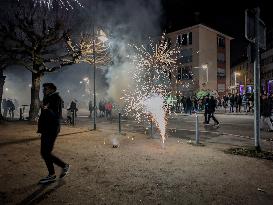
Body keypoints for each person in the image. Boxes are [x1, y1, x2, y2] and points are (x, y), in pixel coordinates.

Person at [37, 83, 70, 184]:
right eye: (43, 89)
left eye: (45, 89)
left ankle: (54, 172)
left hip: (51, 129)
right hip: (47, 128)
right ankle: (58, 169)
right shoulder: (49, 97)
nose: (44, 90)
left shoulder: (55, 98)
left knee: (45, 152)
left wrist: (45, 109)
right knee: (45, 152)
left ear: (51, 89)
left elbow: (56, 115)